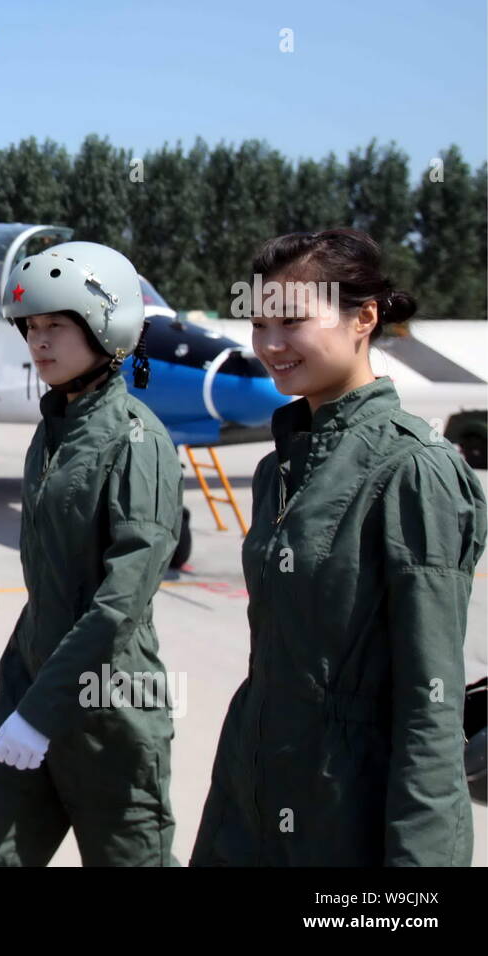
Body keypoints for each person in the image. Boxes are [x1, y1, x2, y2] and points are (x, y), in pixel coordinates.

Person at [192, 228, 486, 866]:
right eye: (259, 322)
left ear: (365, 318)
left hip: (345, 818)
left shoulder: (414, 470)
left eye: (293, 321)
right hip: (252, 792)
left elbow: (429, 704)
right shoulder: (282, 467)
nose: (270, 344)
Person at [0, 241, 183, 866]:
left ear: (107, 327)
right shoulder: (50, 433)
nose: (39, 342)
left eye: (57, 325)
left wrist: (42, 712)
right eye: (32, 327)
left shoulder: (139, 442)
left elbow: (118, 604)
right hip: (28, 688)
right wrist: (24, 703)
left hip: (111, 712)